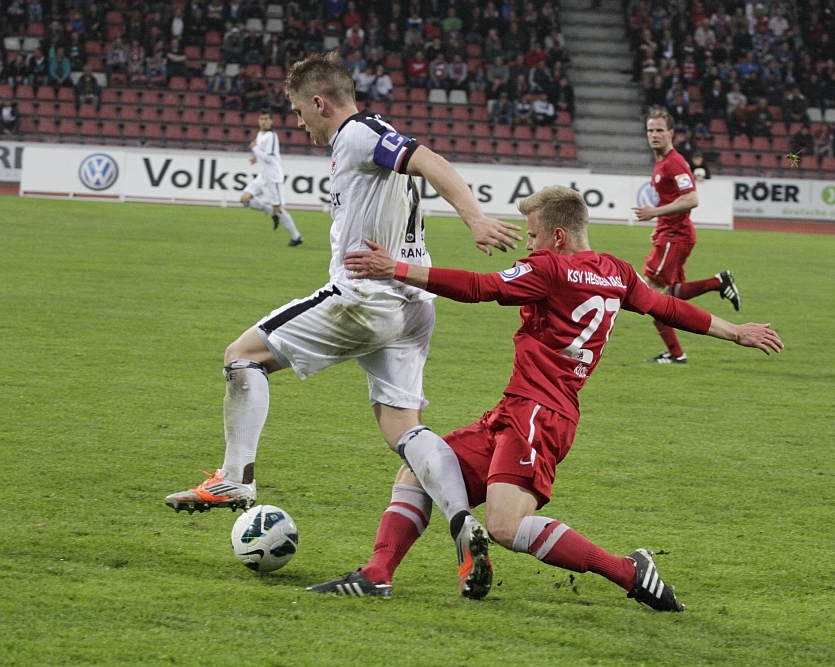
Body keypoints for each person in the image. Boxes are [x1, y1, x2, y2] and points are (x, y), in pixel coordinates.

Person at [164, 53, 521, 600]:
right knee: (403, 429)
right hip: (412, 307)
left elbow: (429, 159)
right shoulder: (365, 141)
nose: (298, 122)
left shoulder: (357, 133)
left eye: (298, 111)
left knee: (242, 356)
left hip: (364, 297)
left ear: (319, 103)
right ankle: (460, 519)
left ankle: (234, 478)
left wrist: (474, 218)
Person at [325, 186, 782, 608]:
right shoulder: (618, 272)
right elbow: (667, 307)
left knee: (506, 526)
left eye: (533, 235)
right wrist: (734, 332)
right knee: (416, 472)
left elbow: (480, 287)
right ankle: (377, 573)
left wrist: (396, 269)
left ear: (558, 236)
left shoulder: (549, 268)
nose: (528, 245)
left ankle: (628, 571)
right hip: (522, 410)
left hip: (538, 415)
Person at [632, 111, 741, 365]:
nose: (654, 135)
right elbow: (672, 199)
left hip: (676, 236)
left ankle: (676, 354)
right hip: (671, 233)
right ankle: (718, 282)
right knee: (671, 294)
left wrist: (655, 213)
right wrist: (660, 225)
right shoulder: (661, 162)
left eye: (660, 130)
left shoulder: (675, 163)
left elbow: (691, 199)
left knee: (651, 296)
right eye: (650, 130)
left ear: (671, 133)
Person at [237, 109, 303, 246]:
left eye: (267, 119)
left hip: (273, 178)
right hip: (262, 177)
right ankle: (271, 212)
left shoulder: (271, 136)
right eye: (262, 119)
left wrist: (255, 149)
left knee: (279, 208)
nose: (264, 122)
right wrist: (256, 157)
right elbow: (263, 154)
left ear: (272, 121)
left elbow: (269, 157)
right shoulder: (260, 134)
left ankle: (296, 237)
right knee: (244, 199)